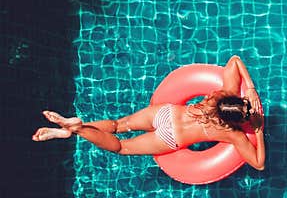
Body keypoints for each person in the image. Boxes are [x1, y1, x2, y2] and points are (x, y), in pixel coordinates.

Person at [32, 55, 265, 171]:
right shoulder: (233, 135)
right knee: (122, 147)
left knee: (117, 125)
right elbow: (259, 164)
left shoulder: (220, 95)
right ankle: (79, 129)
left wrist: (250, 90)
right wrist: (259, 130)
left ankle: (68, 131)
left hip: (166, 114)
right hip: (171, 138)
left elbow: (234, 60)